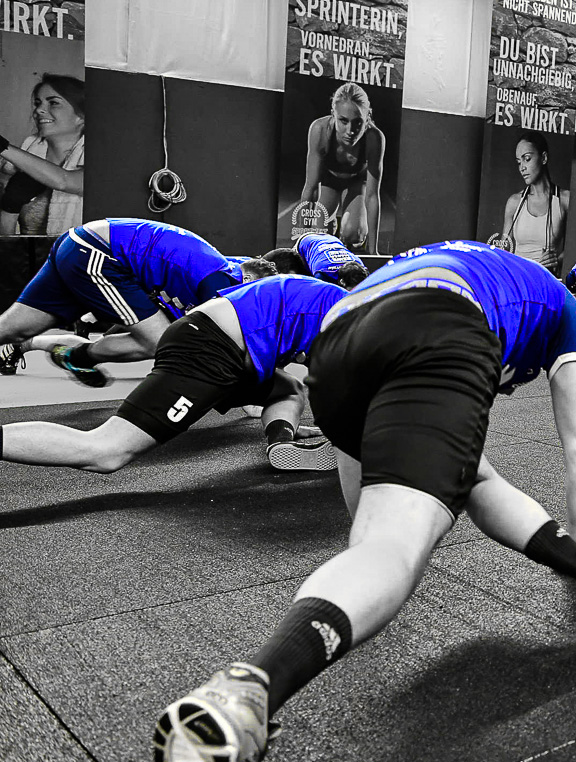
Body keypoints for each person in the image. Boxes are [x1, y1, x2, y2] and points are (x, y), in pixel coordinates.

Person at [152, 240, 576, 762]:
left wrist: (372, 551)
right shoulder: (563, 311)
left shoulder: (475, 264)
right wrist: (394, 555)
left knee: (467, 478)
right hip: (439, 327)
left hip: (337, 343)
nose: (509, 387)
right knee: (395, 550)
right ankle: (249, 692)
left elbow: (366, 499)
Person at [0, 274, 346, 475]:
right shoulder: (354, 316)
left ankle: (282, 443)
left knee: (286, 389)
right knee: (107, 451)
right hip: (209, 349)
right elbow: (339, 389)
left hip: (220, 342)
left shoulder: (341, 302)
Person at [0, 218, 271, 386]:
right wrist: (253, 396)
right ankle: (74, 354)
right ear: (248, 277)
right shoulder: (222, 282)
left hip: (81, 244)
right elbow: (228, 346)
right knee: (164, 342)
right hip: (100, 255)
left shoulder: (230, 268)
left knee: (12, 328)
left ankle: (40, 347)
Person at [297, 82, 386, 255]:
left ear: (367, 117)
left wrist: (374, 252)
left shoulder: (374, 138)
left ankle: (349, 229)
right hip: (329, 182)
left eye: (357, 123)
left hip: (356, 183)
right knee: (319, 234)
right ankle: (332, 224)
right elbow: (311, 188)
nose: (350, 131)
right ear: (333, 115)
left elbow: (372, 196)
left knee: (353, 234)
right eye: (343, 121)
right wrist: (301, 246)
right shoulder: (319, 130)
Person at [0, 75, 85, 236]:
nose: (39, 110)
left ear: (81, 116)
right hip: (26, 259)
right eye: (38, 103)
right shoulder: (13, 168)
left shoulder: (100, 160)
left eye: (53, 103)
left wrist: (3, 147)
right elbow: (6, 240)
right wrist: (9, 207)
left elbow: (63, 180)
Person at [491, 131, 569, 275]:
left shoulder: (564, 200)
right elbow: (503, 251)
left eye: (527, 159)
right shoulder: (514, 202)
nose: (522, 168)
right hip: (518, 279)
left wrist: (557, 260)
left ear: (544, 158)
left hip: (546, 281)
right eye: (519, 162)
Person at [261, 231, 368, 289]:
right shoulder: (322, 274)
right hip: (305, 242)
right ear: (342, 282)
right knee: (296, 280)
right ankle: (258, 263)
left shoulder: (360, 266)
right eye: (351, 290)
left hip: (331, 240)